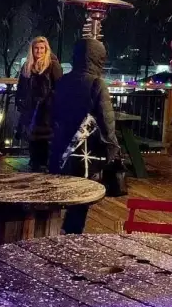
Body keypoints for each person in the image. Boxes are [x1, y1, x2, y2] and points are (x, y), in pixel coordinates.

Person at [48, 38, 120, 233]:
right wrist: (112, 150)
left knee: (58, 192)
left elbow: (52, 113)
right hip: (85, 149)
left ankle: (50, 231)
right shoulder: (97, 83)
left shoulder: (63, 81)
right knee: (81, 196)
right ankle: (72, 232)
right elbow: (106, 122)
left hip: (61, 145)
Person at [16, 36, 64, 172]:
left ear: (46, 49)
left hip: (46, 107)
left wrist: (52, 100)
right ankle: (34, 161)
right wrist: (20, 101)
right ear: (32, 50)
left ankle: (44, 162)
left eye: (42, 48)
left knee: (45, 136)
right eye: (36, 48)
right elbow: (21, 86)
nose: (39, 51)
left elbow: (59, 85)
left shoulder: (52, 65)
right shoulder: (27, 66)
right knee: (32, 135)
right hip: (31, 106)